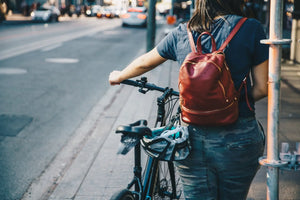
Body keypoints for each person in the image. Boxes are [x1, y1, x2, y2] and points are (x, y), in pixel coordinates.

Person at [109, 0, 269, 199]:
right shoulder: (251, 28)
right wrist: (228, 102)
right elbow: (263, 88)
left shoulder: (182, 32)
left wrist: (119, 75)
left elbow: (144, 63)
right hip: (238, 137)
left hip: (190, 140)